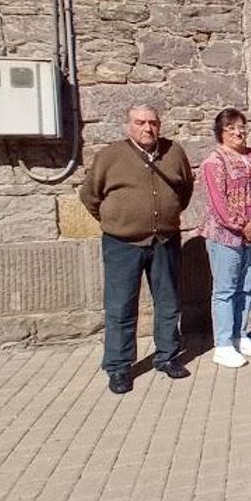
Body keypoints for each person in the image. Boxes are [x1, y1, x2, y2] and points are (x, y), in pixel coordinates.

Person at [80, 104, 194, 395]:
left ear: (160, 125)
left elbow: (184, 191)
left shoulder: (174, 152)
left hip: (165, 241)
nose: (147, 128)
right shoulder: (110, 156)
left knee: (168, 302)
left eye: (152, 122)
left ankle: (167, 356)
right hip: (122, 243)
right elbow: (90, 195)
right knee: (120, 307)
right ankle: (118, 367)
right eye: (140, 122)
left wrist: (165, 215)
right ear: (128, 125)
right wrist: (118, 220)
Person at [195, 108, 251, 368]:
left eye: (241, 126)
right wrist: (244, 225)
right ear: (221, 132)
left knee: (246, 287)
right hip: (226, 237)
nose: (238, 132)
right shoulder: (214, 161)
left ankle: (240, 335)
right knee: (225, 290)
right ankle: (222, 344)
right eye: (231, 127)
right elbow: (219, 204)